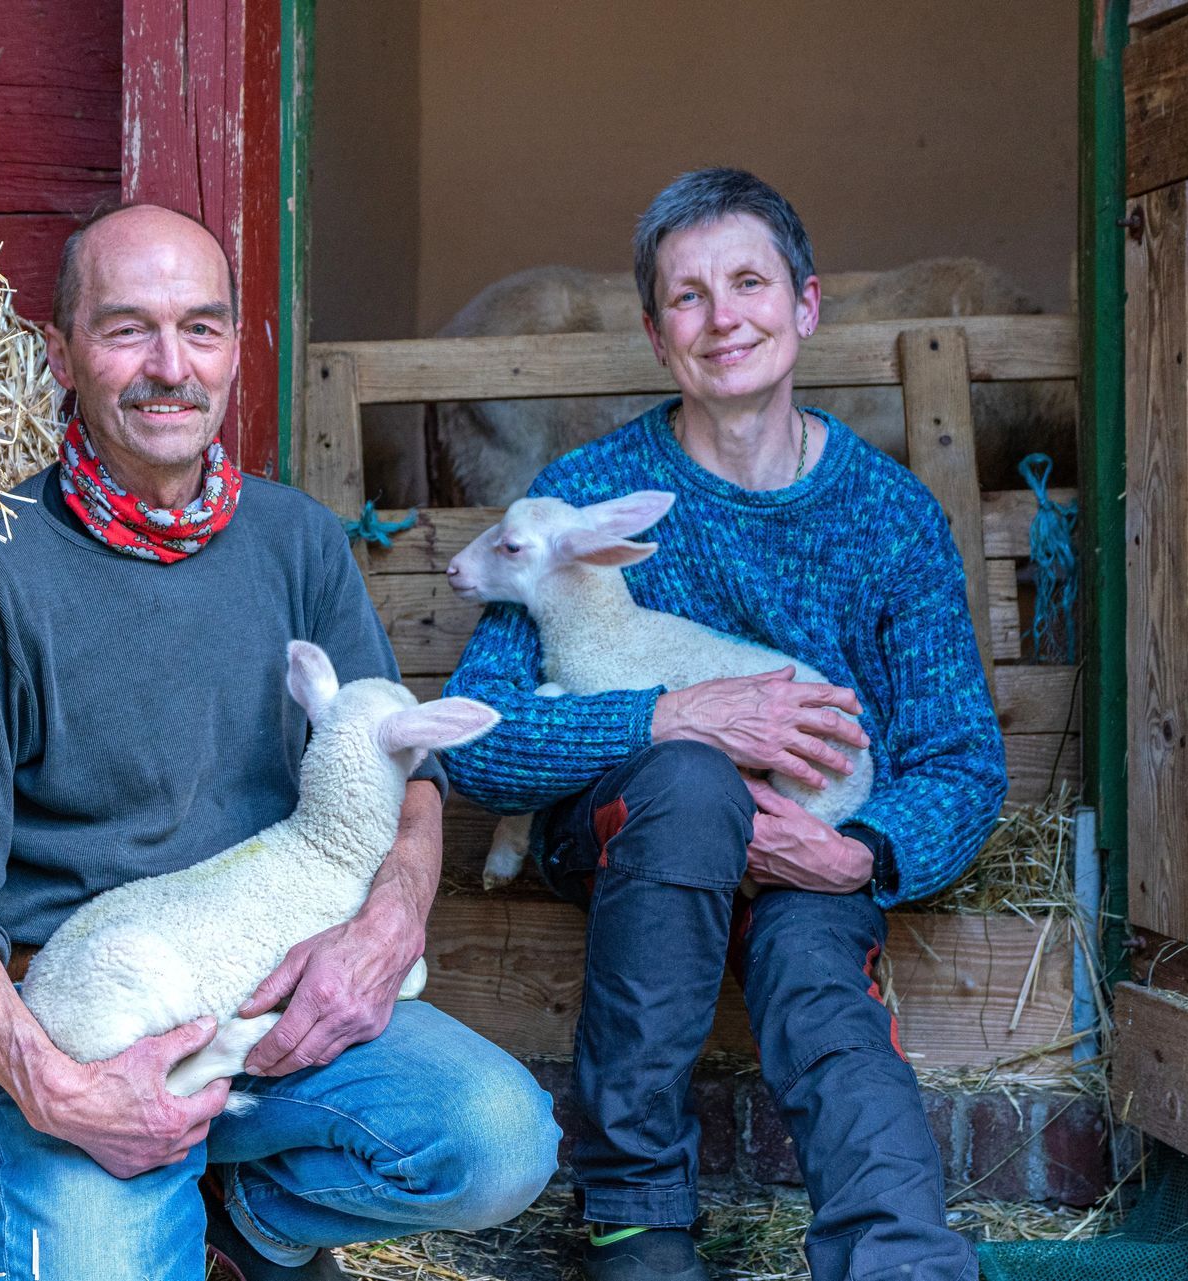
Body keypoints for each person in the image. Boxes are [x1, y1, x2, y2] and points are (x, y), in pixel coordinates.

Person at [0, 203, 558, 1281]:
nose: (168, 367)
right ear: (61, 353)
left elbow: (409, 767)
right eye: (126, 328)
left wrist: (387, 922)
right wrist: (60, 1091)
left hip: (271, 1013)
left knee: (500, 1141)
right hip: (97, 1027)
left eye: (201, 328)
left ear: (239, 349)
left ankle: (252, 1222)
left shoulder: (297, 541)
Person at [443, 168, 1005, 1281]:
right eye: (688, 297)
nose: (723, 317)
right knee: (692, 781)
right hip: (632, 840)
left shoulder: (889, 516)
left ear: (805, 304)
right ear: (657, 336)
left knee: (814, 969)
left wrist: (856, 852)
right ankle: (637, 1224)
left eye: (749, 283)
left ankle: (899, 1258)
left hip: (807, 844)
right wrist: (672, 713)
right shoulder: (587, 490)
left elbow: (960, 758)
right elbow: (484, 737)